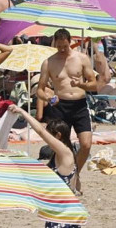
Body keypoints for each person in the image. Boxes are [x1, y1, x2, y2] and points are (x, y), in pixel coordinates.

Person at [37, 28, 98, 191]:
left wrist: (81, 84)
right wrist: (48, 98)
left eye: (65, 46)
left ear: (70, 42)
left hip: (79, 105)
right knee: (60, 146)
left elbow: (94, 84)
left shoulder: (81, 58)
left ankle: (75, 174)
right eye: (59, 47)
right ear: (55, 44)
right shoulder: (49, 62)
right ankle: (63, 177)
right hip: (60, 106)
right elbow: (40, 90)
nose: (62, 49)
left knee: (86, 144)